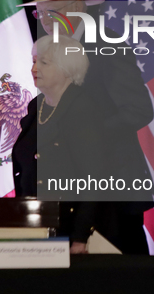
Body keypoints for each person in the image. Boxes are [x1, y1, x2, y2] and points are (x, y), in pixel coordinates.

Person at [17, 0, 154, 253]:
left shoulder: (107, 44)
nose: (46, 21)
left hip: (114, 187)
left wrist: (83, 135)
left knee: (127, 275)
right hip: (68, 195)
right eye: (40, 14)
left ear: (79, 7)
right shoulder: (49, 51)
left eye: (53, 11)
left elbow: (138, 110)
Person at [12, 34, 107, 253]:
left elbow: (94, 179)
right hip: (33, 226)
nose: (34, 68)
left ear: (67, 67)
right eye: (34, 61)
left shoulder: (83, 108)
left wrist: (80, 237)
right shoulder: (37, 106)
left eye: (43, 62)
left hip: (68, 229)